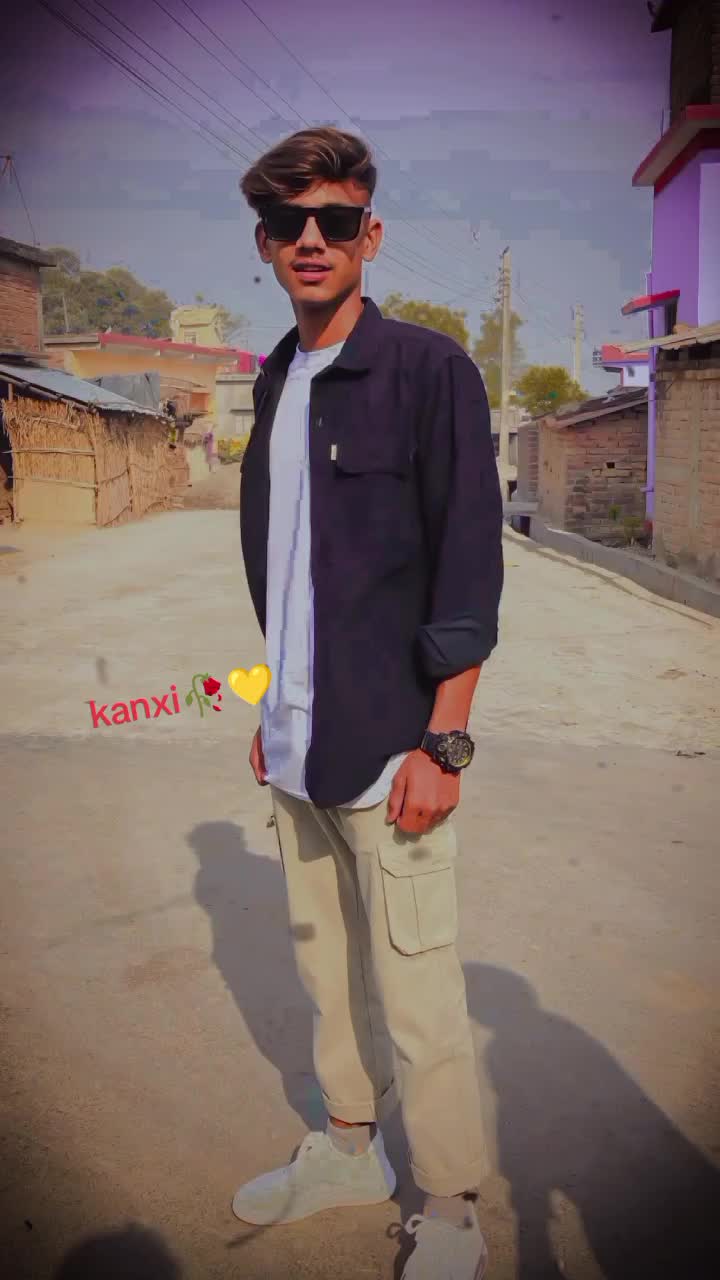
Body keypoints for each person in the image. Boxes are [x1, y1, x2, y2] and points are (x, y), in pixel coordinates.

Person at [235, 127, 503, 1279]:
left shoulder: (429, 372)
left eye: (334, 220)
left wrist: (445, 739)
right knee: (325, 967)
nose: (312, 240)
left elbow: (468, 565)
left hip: (397, 746)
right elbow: (289, 566)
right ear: (263, 243)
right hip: (298, 740)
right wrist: (270, 704)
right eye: (288, 223)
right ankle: (351, 1147)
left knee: (419, 980)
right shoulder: (273, 379)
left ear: (369, 234)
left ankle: (451, 1205)